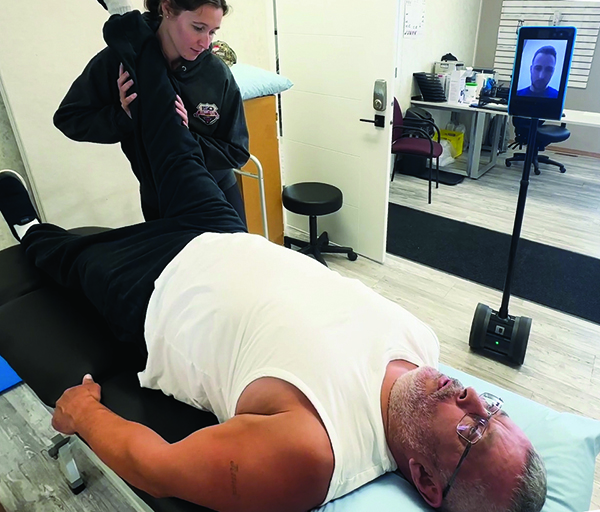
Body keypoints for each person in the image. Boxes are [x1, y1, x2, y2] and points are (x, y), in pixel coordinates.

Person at [0, 13, 547, 512]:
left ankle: (31, 233)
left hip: (159, 288)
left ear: (427, 483)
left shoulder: (314, 454)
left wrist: (84, 414)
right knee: (171, 135)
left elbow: (158, 469)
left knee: (74, 257)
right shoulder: (422, 345)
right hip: (226, 233)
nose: (471, 395)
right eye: (493, 408)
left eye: (472, 431)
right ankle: (144, 36)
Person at [53, 0, 250, 225]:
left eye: (212, 32)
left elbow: (237, 151)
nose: (205, 43)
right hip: (158, 200)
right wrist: (123, 117)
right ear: (167, 9)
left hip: (218, 194)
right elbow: (69, 118)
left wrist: (185, 137)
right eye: (198, 28)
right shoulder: (118, 63)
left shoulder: (216, 73)